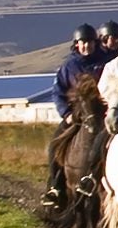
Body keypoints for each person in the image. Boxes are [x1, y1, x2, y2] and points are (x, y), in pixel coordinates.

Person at [40, 22, 111, 209]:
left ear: (96, 43)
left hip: (103, 114)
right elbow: (58, 92)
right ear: (76, 44)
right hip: (77, 116)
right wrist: (66, 113)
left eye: (89, 42)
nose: (86, 45)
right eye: (82, 42)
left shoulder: (106, 63)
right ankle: (56, 187)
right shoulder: (69, 67)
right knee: (55, 144)